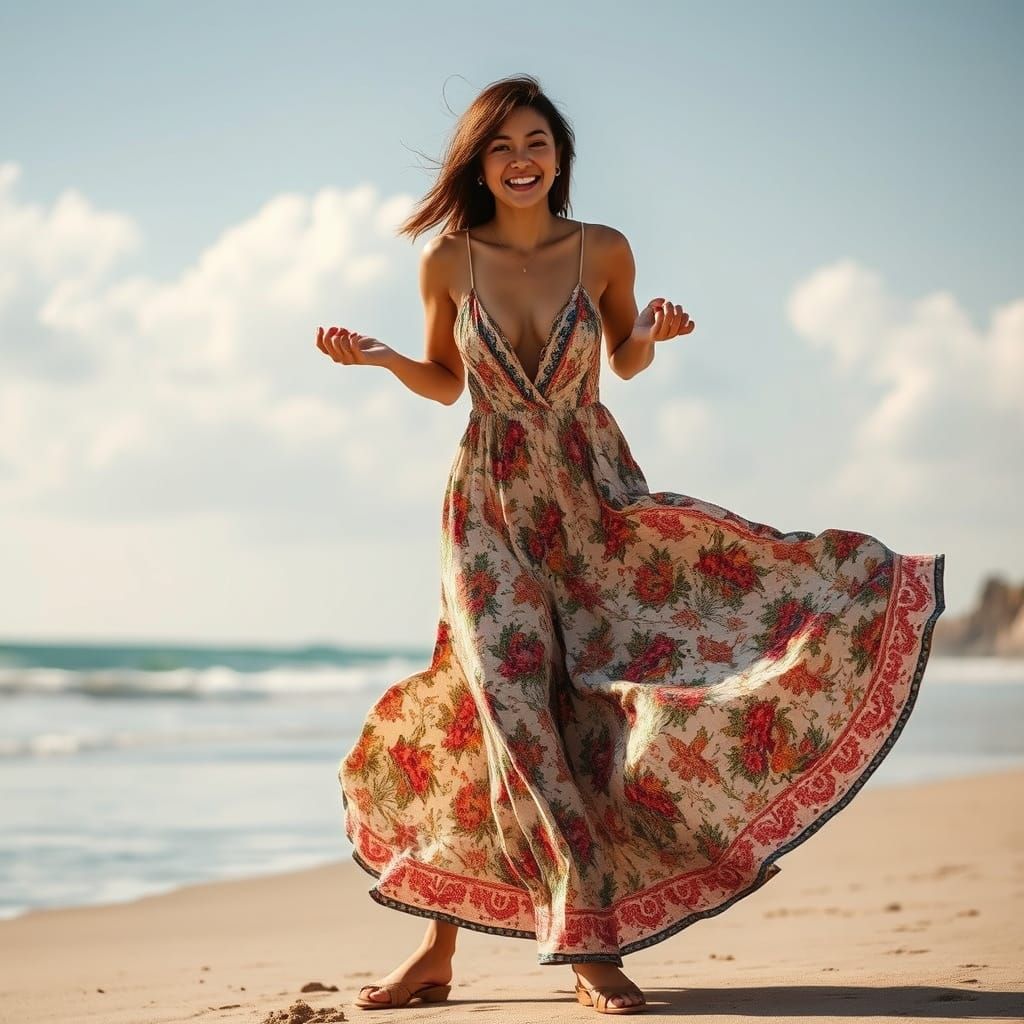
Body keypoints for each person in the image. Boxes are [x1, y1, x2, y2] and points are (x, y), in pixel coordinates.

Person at [318, 74, 945, 1015]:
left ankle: (566, 941)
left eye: (536, 143)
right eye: (501, 147)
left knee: (592, 705)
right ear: (478, 165)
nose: (520, 160)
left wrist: (649, 333)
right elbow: (448, 383)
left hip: (592, 500)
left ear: (560, 156)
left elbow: (624, 359)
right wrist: (382, 360)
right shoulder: (447, 261)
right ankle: (496, 947)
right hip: (488, 506)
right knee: (497, 704)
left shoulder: (602, 249)